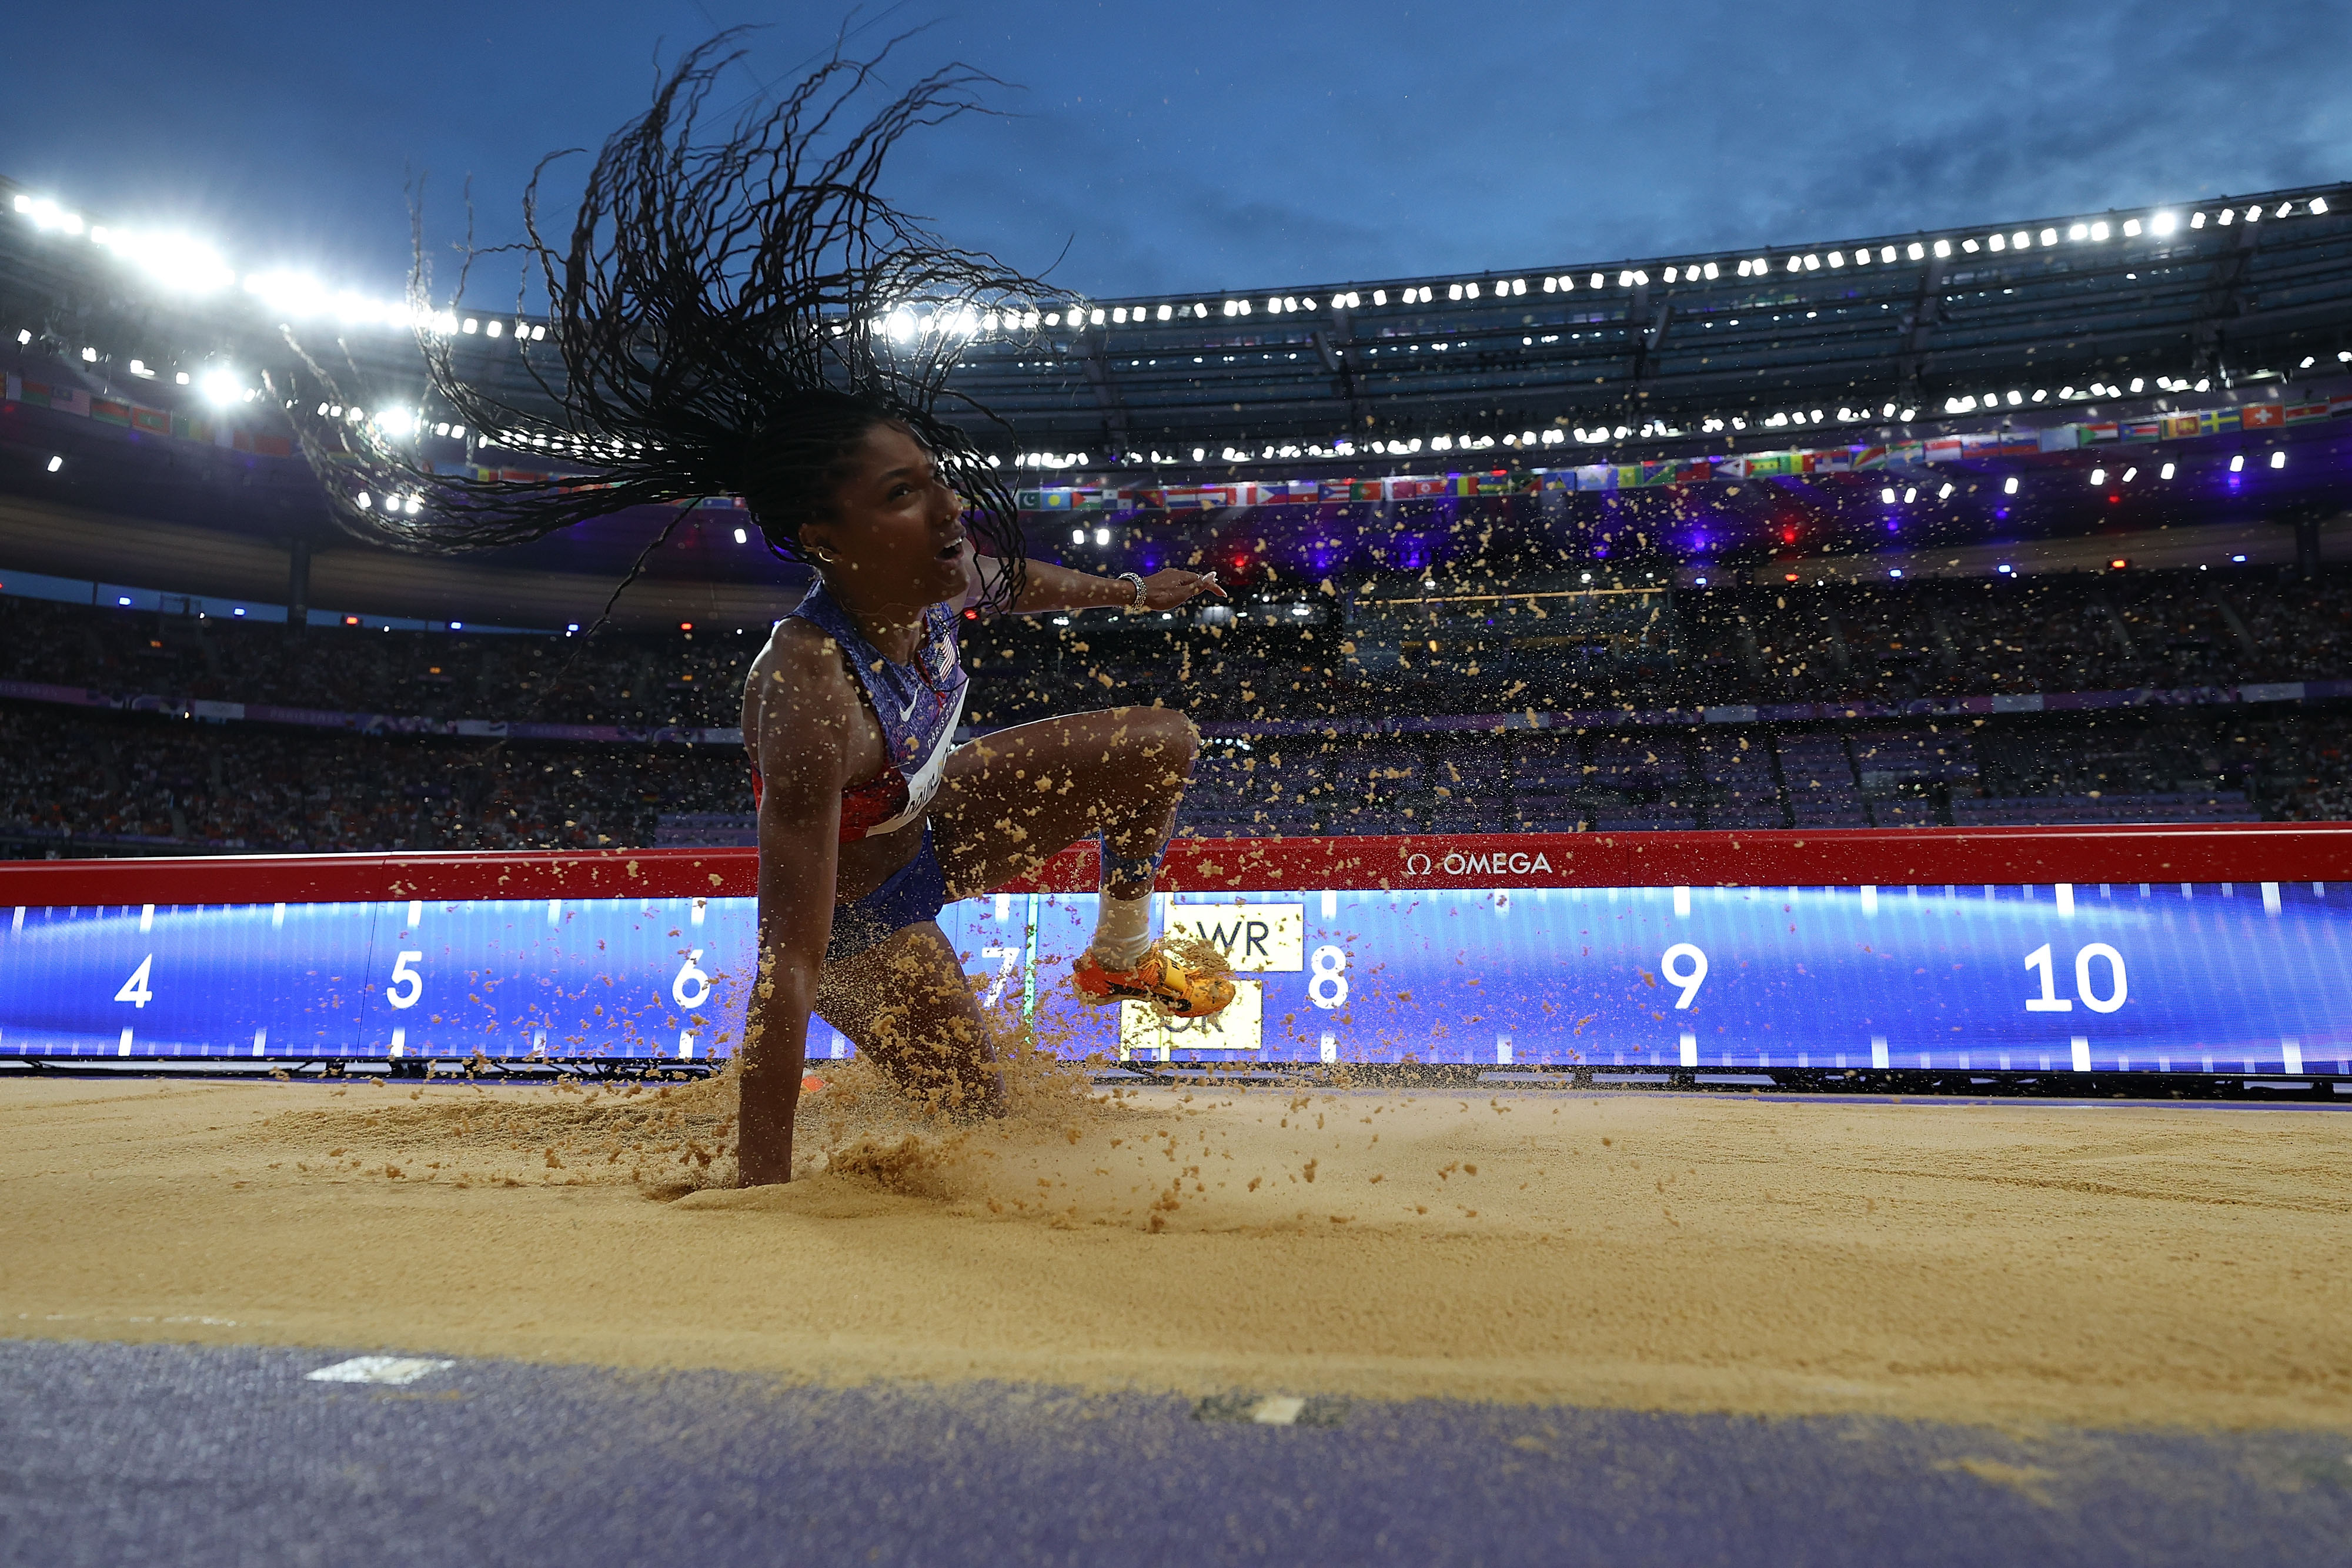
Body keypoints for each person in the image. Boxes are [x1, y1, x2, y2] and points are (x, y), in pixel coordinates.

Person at [273, 36, 1233, 1186]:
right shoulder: (808, 689)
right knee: (983, 1124)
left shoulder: (943, 572)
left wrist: (1133, 592)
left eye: (933, 479)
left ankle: (1120, 952)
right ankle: (832, 1122)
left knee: (1160, 742)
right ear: (823, 537)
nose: (946, 510)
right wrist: (759, 1186)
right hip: (861, 921)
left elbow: (1024, 580)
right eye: (902, 494)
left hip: (940, 827)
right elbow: (787, 961)